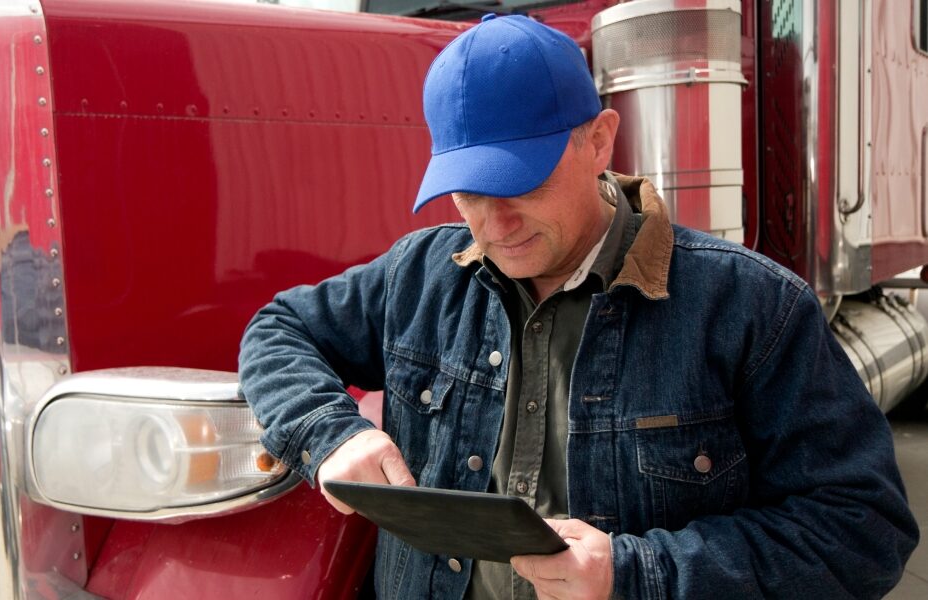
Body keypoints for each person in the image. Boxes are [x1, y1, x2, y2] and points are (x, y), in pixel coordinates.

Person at [238, 13, 918, 600]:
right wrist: (329, 433)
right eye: (469, 192)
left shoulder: (752, 309)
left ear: (598, 139)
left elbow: (861, 530)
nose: (495, 222)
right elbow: (279, 328)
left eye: (521, 183)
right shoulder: (419, 273)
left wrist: (635, 574)